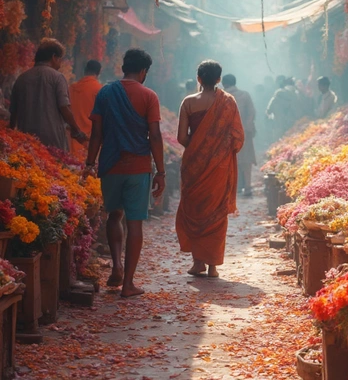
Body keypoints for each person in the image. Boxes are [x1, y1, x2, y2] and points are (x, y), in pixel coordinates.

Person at [85, 48, 165, 298]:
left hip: (110, 165)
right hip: (138, 166)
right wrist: (161, 171)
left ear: (123, 67)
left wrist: (89, 163)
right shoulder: (149, 95)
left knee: (114, 215)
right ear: (143, 72)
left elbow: (96, 133)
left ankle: (116, 266)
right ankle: (128, 284)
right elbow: (155, 136)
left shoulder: (105, 92)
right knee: (135, 222)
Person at [176, 61, 244, 278]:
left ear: (198, 78)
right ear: (218, 79)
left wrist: (199, 148)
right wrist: (215, 149)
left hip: (194, 166)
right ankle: (213, 265)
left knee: (195, 209)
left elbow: (181, 137)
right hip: (219, 166)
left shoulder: (188, 102)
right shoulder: (228, 102)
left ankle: (198, 263)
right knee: (216, 212)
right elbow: (237, 137)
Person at [10, 38, 87, 150]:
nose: (60, 64)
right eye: (60, 59)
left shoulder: (21, 79)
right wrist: (76, 130)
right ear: (54, 57)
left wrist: (12, 136)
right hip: (53, 142)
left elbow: (13, 113)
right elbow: (64, 108)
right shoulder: (57, 77)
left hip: (26, 141)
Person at [222, 74, 257, 196]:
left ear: (224, 83)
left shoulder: (220, 96)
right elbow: (252, 112)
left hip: (226, 134)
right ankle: (247, 186)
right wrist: (246, 126)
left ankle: (233, 186)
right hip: (244, 133)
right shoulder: (245, 95)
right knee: (246, 160)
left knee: (230, 160)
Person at [68, 60, 102, 158]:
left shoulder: (72, 88)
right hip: (90, 140)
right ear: (99, 72)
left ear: (85, 71)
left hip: (72, 138)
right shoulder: (99, 90)